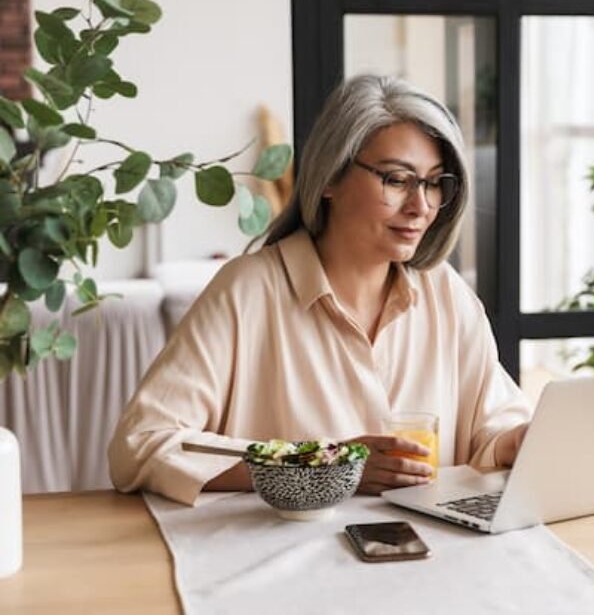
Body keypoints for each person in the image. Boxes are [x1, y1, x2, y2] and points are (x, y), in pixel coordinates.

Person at [108, 75, 532, 505]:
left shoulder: (446, 294)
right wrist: (325, 466)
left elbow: (492, 427)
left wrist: (515, 441)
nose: (420, 206)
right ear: (331, 177)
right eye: (397, 179)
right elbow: (142, 444)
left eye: (434, 182)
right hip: (278, 560)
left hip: (428, 556)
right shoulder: (247, 291)